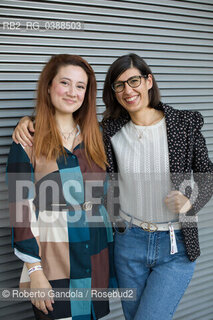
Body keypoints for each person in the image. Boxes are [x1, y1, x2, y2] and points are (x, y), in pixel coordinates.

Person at [12, 53, 213, 320]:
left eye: (134, 81)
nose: (128, 90)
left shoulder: (175, 125)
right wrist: (27, 122)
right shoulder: (95, 133)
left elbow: (207, 175)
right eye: (119, 85)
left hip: (149, 250)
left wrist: (191, 202)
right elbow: (21, 207)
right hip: (95, 252)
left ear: (148, 81)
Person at [7, 54, 117, 320]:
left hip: (96, 250)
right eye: (65, 83)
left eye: (80, 86)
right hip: (52, 257)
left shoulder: (97, 136)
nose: (72, 92)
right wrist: (35, 272)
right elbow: (20, 212)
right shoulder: (28, 140)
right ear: (48, 86)